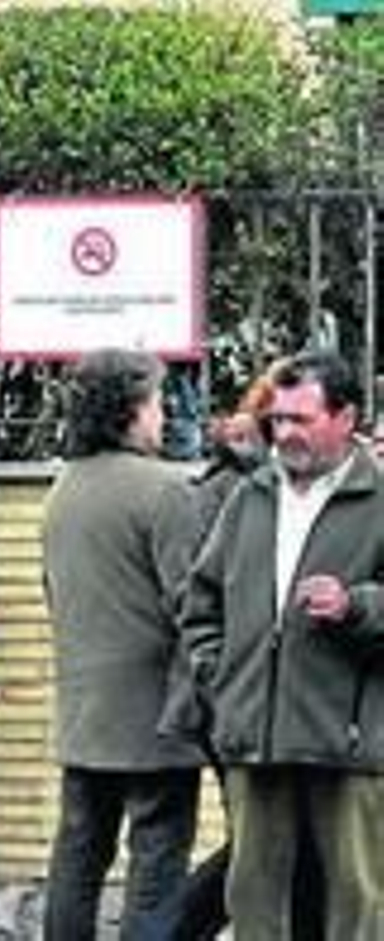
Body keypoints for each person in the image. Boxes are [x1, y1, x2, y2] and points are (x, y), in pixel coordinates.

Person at [181, 350, 384, 939]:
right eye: (279, 420)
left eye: (302, 419)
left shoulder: (377, 499)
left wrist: (357, 606)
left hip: (346, 739)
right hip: (254, 736)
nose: (285, 434)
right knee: (254, 903)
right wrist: (219, 677)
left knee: (357, 906)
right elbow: (201, 601)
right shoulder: (252, 496)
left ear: (345, 419)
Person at [38, 349, 206, 941]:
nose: (163, 417)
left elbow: (55, 597)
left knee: (77, 861)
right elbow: (196, 609)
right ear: (132, 409)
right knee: (156, 870)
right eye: (158, 402)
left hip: (84, 719)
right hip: (157, 721)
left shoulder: (62, 492)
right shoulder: (166, 491)